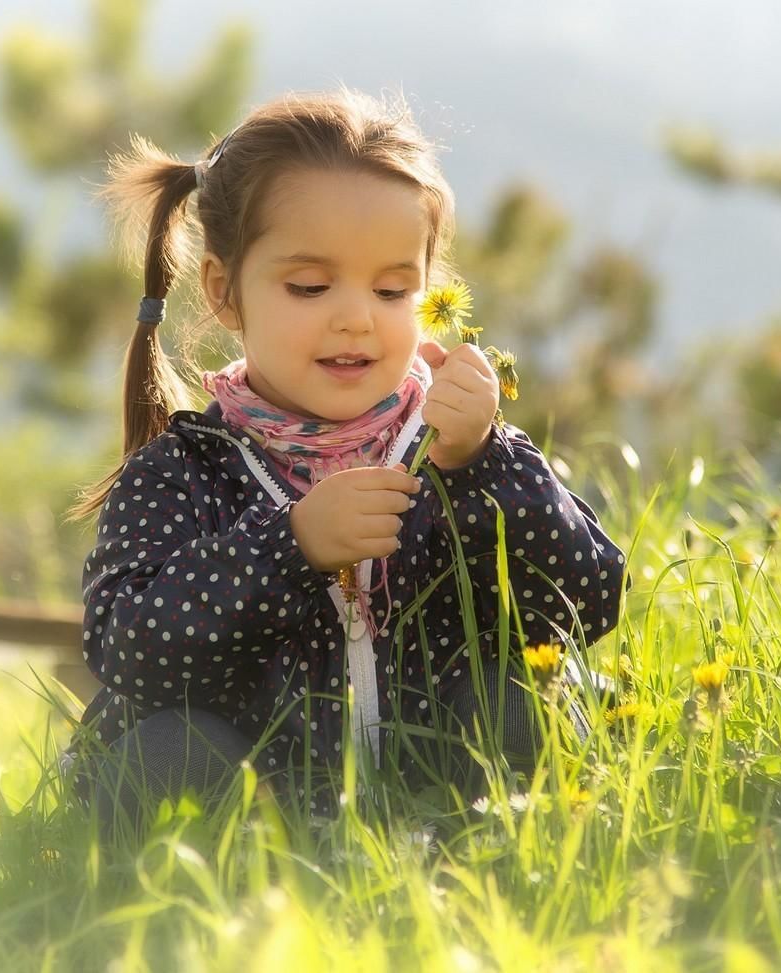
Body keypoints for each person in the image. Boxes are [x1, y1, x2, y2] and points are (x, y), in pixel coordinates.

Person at [61, 87, 628, 839]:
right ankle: (241, 897)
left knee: (529, 701)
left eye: (393, 288)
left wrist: (485, 465)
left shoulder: (451, 446)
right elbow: (128, 649)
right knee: (165, 757)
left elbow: (590, 601)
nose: (356, 315)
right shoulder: (183, 472)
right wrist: (289, 546)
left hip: (434, 800)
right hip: (260, 812)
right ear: (226, 292)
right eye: (310, 285)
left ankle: (495, 858)